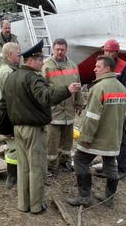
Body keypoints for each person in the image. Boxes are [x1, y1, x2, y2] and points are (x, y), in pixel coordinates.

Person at [0, 40, 80, 214]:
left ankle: (23, 204)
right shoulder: (33, 78)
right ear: (30, 60)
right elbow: (45, 96)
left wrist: (5, 128)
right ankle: (36, 205)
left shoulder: (12, 76)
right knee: (36, 168)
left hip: (17, 129)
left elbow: (3, 104)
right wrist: (67, 90)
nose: (43, 62)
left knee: (23, 167)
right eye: (39, 59)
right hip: (33, 130)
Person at [67, 55, 126, 207]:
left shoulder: (99, 88)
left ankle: (84, 197)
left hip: (96, 137)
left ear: (107, 69)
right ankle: (109, 198)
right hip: (113, 137)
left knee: (80, 160)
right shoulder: (121, 88)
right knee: (110, 164)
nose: (94, 69)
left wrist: (86, 138)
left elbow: (92, 117)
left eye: (98, 66)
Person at [42, 38, 83, 174]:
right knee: (52, 140)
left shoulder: (73, 66)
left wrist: (79, 103)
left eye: (62, 50)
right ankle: (50, 166)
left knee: (67, 139)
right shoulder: (46, 66)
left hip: (69, 110)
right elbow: (42, 90)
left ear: (66, 50)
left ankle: (65, 161)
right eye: (57, 49)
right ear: (53, 49)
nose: (60, 52)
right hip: (54, 110)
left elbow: (78, 86)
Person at [95, 39, 126, 179]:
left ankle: (121, 169)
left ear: (117, 52)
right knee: (106, 138)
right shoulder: (102, 65)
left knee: (120, 138)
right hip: (104, 109)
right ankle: (108, 168)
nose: (108, 53)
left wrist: (116, 103)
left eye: (110, 51)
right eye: (105, 50)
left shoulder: (124, 67)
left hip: (117, 110)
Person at [0, 42, 21, 189]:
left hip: (13, 114)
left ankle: (17, 176)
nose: (20, 55)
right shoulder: (7, 72)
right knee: (13, 147)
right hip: (9, 115)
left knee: (16, 146)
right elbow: (9, 98)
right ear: (9, 54)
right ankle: (12, 179)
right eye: (17, 53)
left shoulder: (12, 69)